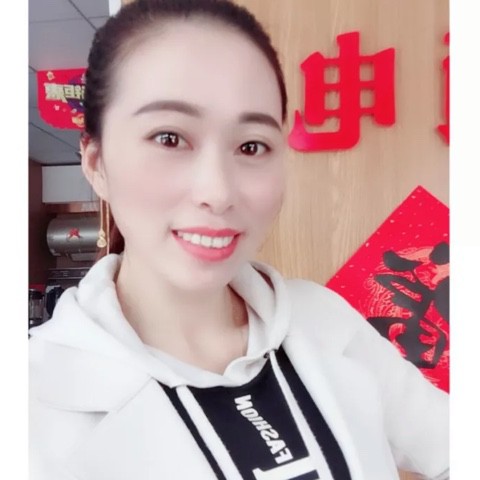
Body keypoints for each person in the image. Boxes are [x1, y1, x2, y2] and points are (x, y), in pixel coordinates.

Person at [29, 1, 449, 479]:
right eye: (169, 138)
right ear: (95, 162)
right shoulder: (33, 406)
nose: (218, 192)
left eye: (252, 145)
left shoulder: (322, 319)